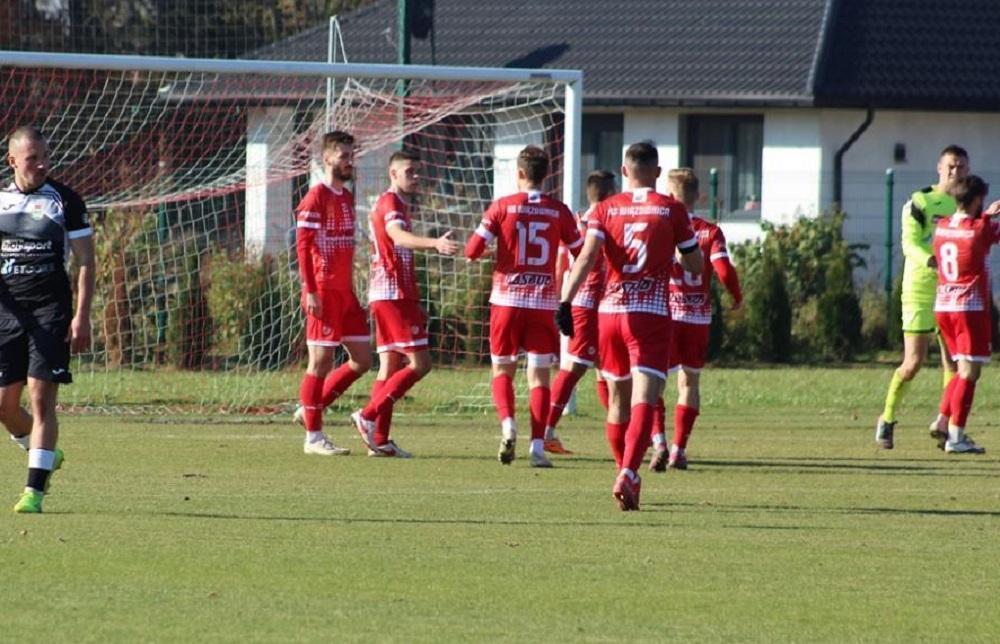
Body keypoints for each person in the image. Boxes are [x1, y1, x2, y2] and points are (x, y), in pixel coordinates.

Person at [559, 141, 702, 511]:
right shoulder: (670, 209)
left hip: (609, 313)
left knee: (617, 401)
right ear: (657, 173)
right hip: (649, 314)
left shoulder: (606, 208)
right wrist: (678, 253)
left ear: (625, 172)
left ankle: (621, 468)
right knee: (644, 398)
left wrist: (565, 301)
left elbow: (586, 257)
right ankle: (628, 473)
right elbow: (695, 265)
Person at [465, 145, 582, 468]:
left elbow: (472, 250)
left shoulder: (502, 206)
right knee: (539, 378)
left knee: (502, 370)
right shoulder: (559, 211)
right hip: (542, 303)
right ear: (547, 174)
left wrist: (501, 251)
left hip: (506, 301)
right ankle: (537, 449)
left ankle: (508, 426)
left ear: (519, 173)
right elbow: (580, 251)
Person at [2, 126, 94, 513]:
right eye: (32, 159)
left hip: (50, 311)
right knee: (4, 406)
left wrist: (81, 316)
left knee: (41, 399)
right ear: (12, 161)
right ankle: (45, 454)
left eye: (45, 157)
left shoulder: (65, 200)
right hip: (7, 313)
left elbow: (86, 261)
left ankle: (34, 491)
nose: (41, 165)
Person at [350, 151, 459, 457]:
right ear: (393, 173)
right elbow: (397, 237)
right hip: (393, 294)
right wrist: (435, 243)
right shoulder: (391, 203)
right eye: (410, 171)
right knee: (421, 364)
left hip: (391, 293)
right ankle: (368, 415)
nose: (416, 177)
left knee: (390, 366)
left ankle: (380, 440)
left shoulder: (394, 203)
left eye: (418, 171)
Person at [649, 168, 742, 471]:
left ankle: (658, 442)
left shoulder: (661, 225)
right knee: (689, 382)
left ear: (669, 195)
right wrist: (736, 296)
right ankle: (679, 449)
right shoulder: (710, 231)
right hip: (697, 318)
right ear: (697, 196)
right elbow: (724, 270)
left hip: (665, 314)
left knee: (653, 382)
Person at [876, 145, 967, 450]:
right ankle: (887, 418)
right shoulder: (920, 201)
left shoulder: (966, 205)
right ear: (939, 168)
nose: (956, 172)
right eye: (951, 166)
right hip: (920, 290)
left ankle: (945, 424)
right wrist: (933, 262)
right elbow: (909, 244)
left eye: (961, 167)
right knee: (913, 362)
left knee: (955, 363)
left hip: (952, 290)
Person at [293, 131, 371, 456]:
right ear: (327, 159)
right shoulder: (315, 197)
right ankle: (313, 437)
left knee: (363, 359)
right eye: (344, 156)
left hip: (345, 292)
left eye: (352, 155)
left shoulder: (346, 197)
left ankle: (310, 409)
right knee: (320, 362)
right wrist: (310, 290)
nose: (350, 161)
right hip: (323, 291)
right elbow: (302, 246)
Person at [542, 170, 615, 454]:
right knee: (574, 368)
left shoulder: (578, 221)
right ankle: (545, 431)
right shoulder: (606, 221)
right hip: (589, 303)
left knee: (606, 369)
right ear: (612, 193)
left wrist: (561, 298)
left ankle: (623, 431)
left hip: (589, 303)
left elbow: (562, 263)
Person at [931, 176, 996, 454]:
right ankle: (956, 437)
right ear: (977, 199)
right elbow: (988, 232)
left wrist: (985, 216)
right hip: (969, 308)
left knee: (962, 369)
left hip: (943, 305)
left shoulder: (942, 226)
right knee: (970, 372)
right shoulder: (979, 229)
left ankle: (943, 419)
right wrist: (989, 216)